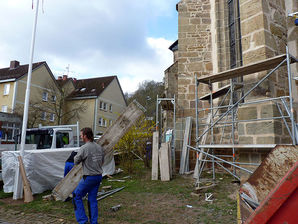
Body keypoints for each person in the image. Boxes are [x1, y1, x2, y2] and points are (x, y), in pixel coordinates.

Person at [73, 127, 104, 224]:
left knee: (76, 195)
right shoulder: (99, 147)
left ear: (85, 136)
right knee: (92, 199)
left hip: (89, 177)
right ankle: (94, 222)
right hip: (98, 176)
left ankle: (82, 220)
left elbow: (76, 161)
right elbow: (102, 161)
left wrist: (76, 156)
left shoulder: (84, 148)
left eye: (81, 135)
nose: (81, 137)